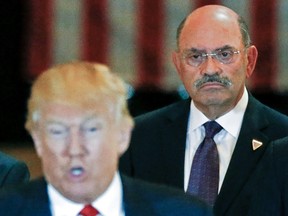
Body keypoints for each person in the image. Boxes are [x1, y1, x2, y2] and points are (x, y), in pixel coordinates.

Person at [119, 4, 288, 216]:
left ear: (250, 61)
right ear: (178, 65)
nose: (210, 69)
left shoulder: (283, 138)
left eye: (225, 54)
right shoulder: (138, 139)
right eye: (195, 56)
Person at [0, 62, 212, 216]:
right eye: (58, 131)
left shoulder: (184, 212)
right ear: (37, 140)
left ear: (122, 135)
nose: (75, 148)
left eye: (91, 129)